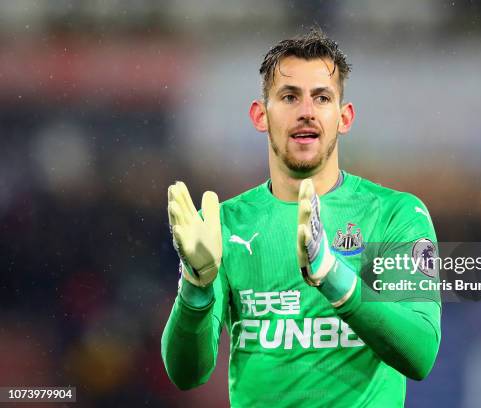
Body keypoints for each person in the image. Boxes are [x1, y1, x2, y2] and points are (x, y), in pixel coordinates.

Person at [162, 28, 441, 407]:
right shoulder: (226, 225)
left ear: (344, 117)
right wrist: (196, 284)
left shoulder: (395, 215)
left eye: (321, 98)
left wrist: (331, 274)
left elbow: (420, 354)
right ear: (260, 115)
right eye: (290, 96)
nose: (306, 111)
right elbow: (187, 373)